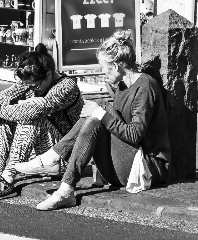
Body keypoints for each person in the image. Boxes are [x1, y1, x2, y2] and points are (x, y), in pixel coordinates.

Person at [15, 30, 171, 211]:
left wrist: (102, 113)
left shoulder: (145, 86)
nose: (102, 71)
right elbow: (115, 126)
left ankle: (54, 161)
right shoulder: (121, 85)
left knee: (100, 109)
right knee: (97, 114)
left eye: (103, 66)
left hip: (148, 168)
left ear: (117, 65)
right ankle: (64, 186)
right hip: (123, 168)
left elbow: (134, 134)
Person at [0, 43, 83, 200]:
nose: (32, 89)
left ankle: (7, 179)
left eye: (35, 86)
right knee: (4, 114)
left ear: (49, 74)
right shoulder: (33, 82)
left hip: (62, 157)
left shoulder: (66, 86)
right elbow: (0, 97)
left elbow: (36, 109)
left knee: (30, 117)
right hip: (38, 155)